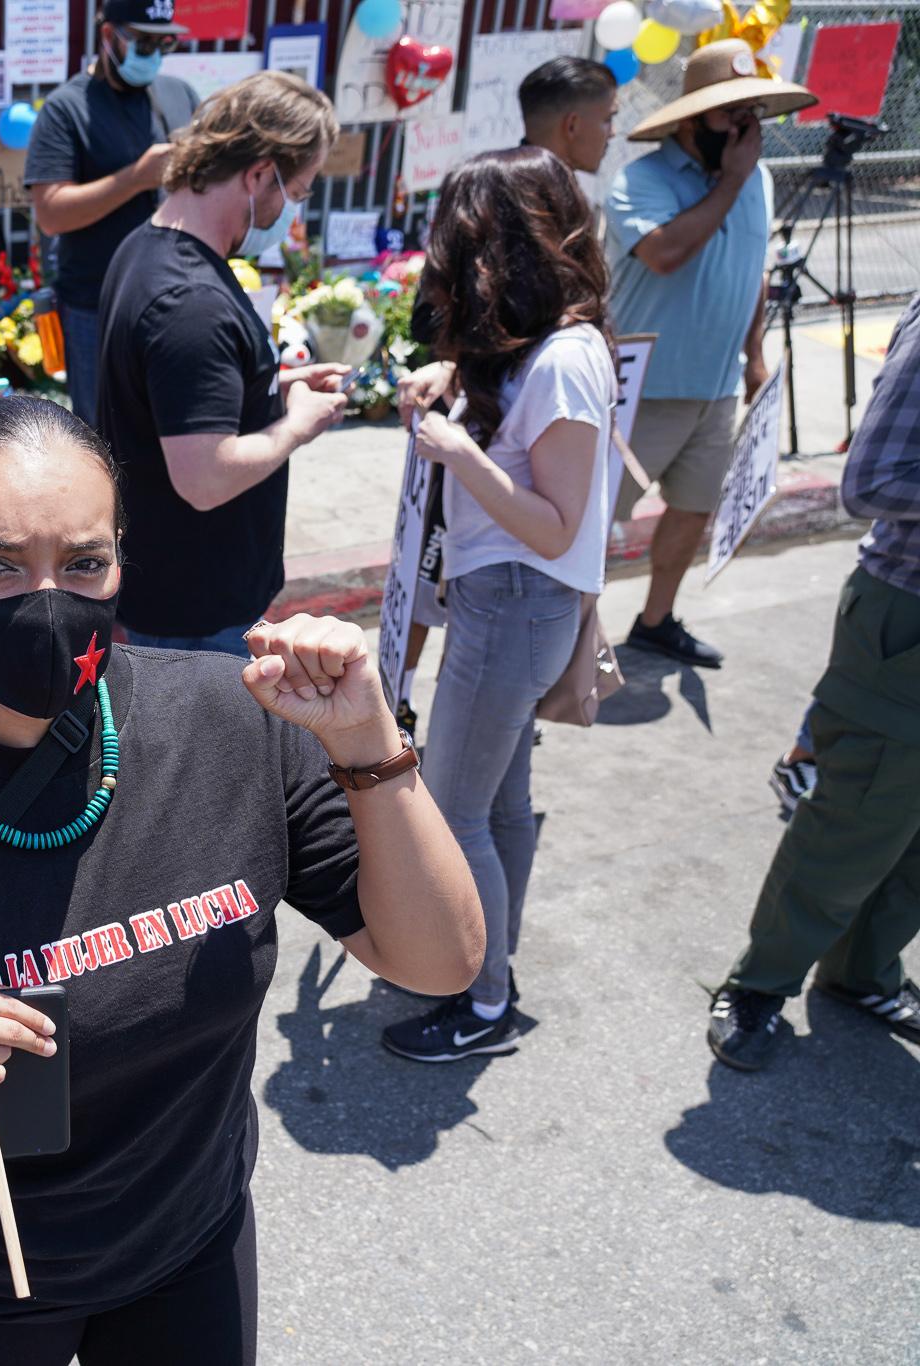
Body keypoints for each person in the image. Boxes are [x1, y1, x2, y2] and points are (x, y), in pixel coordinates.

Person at [0, 395, 483, 1364]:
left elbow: (436, 963)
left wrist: (366, 744)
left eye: (84, 563)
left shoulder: (237, 724)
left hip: (184, 1242)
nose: (46, 601)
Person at [379, 149, 621, 1063]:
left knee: (456, 809)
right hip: (512, 600)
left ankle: (480, 1002)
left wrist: (459, 454)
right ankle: (493, 974)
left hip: (520, 598)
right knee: (502, 805)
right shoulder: (548, 343)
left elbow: (556, 525)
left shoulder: (564, 358)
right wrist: (453, 379)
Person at [708, 290, 920, 1070]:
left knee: (913, 832)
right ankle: (761, 983)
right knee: (854, 818)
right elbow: (869, 482)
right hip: (906, 621)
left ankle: (863, 971)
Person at [95, 72, 349, 656]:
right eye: (300, 189)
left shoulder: (144, 246)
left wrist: (273, 385)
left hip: (173, 590)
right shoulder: (191, 303)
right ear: (260, 173)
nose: (297, 210)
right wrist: (297, 425)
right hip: (195, 610)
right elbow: (205, 478)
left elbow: (169, 396)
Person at [606, 39, 818, 669]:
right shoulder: (640, 180)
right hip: (644, 388)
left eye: (754, 110)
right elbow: (666, 253)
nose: (747, 125)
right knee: (589, 526)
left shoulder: (759, 180)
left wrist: (754, 356)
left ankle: (655, 619)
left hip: (716, 386)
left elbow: (750, 267)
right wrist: (731, 179)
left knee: (694, 509)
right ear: (694, 118)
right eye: (732, 113)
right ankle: (560, 648)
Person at [24, 0, 198, 420]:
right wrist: (135, 177)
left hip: (173, 294)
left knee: (170, 424)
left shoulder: (180, 95)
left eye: (165, 42)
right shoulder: (67, 109)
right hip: (96, 307)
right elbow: (51, 213)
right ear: (108, 36)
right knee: (103, 433)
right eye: (143, 42)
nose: (154, 54)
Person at [518, 56, 619, 175]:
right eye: (607, 119)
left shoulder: (501, 185)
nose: (613, 133)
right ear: (572, 125)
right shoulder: (543, 191)